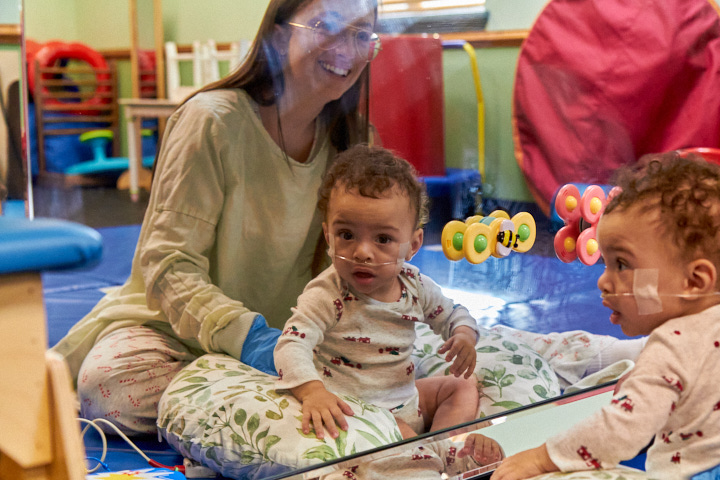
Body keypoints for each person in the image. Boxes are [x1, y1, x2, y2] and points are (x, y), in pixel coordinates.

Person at [51, 0, 381, 434]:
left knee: (424, 352)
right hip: (179, 336)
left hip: (298, 340)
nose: (346, 48)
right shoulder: (212, 121)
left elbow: (367, 267)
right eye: (327, 25)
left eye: (362, 35)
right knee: (111, 387)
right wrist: (251, 340)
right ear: (280, 35)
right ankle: (302, 404)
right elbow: (169, 265)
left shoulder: (356, 141)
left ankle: (267, 408)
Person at [491, 152, 720, 480]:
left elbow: (621, 429)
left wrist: (544, 458)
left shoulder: (671, 347)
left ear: (694, 281)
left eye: (622, 264)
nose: (603, 281)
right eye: (606, 262)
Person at [274, 145, 481, 440]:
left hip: (407, 401)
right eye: (347, 235)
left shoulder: (415, 286)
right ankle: (428, 454)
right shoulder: (328, 294)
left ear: (412, 245)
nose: (362, 252)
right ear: (328, 236)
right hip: (359, 412)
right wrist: (312, 391)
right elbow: (291, 345)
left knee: (462, 387)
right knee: (401, 435)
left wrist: (463, 336)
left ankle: (444, 445)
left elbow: (454, 314)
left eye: (383, 239)